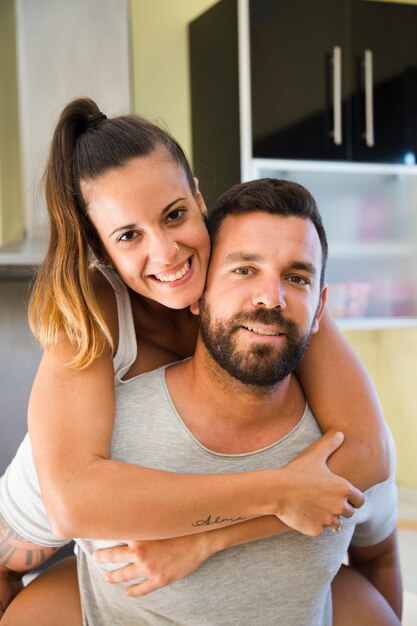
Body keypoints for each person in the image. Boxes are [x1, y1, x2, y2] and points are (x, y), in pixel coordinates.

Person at [0, 98, 389, 620]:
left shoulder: (266, 288)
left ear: (198, 199)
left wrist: (207, 542)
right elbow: (72, 501)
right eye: (129, 236)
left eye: (175, 215)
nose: (166, 254)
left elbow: (367, 452)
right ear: (100, 247)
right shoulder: (93, 310)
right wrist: (277, 491)